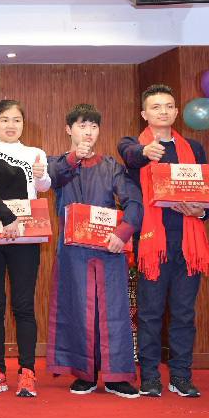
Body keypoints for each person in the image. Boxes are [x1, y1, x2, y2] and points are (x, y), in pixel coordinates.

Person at [118, 84, 209, 398]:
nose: (163, 111)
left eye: (169, 106)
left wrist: (201, 211)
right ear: (144, 113)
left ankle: (181, 376)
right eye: (156, 107)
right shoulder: (134, 145)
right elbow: (129, 155)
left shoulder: (194, 148)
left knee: (184, 313)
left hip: (189, 242)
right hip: (152, 244)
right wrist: (146, 152)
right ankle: (149, 376)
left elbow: (206, 191)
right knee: (150, 313)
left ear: (176, 111)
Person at [47, 104, 142, 398]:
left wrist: (123, 233)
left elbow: (134, 203)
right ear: (69, 129)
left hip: (108, 248)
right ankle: (84, 374)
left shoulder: (112, 166)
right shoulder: (57, 164)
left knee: (114, 310)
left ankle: (116, 377)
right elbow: (54, 177)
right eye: (82, 126)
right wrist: (75, 157)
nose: (88, 132)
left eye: (94, 126)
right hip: (72, 252)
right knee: (76, 308)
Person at [0, 100, 51, 397]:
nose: (11, 125)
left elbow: (42, 188)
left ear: (23, 124)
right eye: (4, 120)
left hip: (25, 236)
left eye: (16, 120)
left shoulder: (35, 153)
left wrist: (40, 173)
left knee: (24, 305)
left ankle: (27, 372)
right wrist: (7, 217)